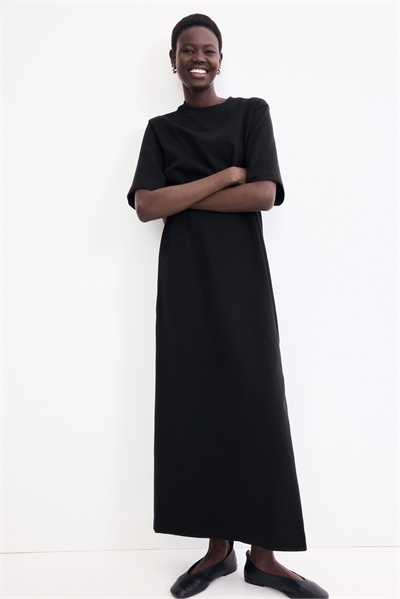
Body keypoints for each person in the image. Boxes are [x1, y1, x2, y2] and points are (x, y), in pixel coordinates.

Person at [127, 13, 329, 599]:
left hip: (242, 283)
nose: (198, 58)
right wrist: (223, 177)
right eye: (187, 50)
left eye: (208, 50)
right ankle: (218, 552)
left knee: (257, 404)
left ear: (221, 58)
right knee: (198, 407)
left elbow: (263, 193)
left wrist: (181, 194)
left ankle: (264, 558)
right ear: (172, 60)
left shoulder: (250, 114)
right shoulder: (160, 130)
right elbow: (146, 206)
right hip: (186, 286)